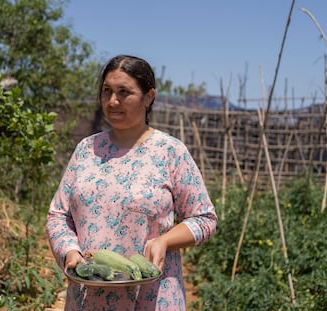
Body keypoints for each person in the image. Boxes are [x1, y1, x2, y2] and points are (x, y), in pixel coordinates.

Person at [46, 54, 217, 310]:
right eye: (107, 91)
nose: (113, 101)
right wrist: (70, 252)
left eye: (124, 92)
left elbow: (204, 218)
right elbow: (58, 215)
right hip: (88, 298)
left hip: (152, 298)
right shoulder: (86, 149)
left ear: (149, 97)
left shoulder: (169, 152)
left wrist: (164, 241)